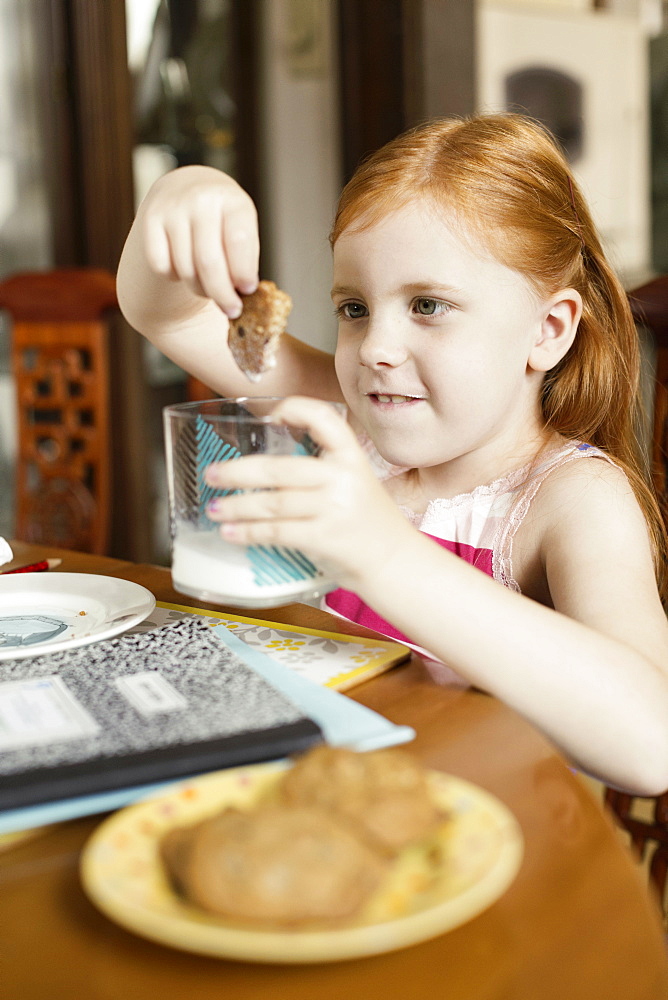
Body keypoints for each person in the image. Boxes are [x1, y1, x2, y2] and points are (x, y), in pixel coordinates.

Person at [117, 113, 668, 795]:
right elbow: (168, 314)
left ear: (548, 331)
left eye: (429, 305)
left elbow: (651, 744)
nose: (376, 347)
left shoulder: (572, 499)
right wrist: (180, 195)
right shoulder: (352, 419)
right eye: (354, 308)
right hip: (324, 802)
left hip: (481, 851)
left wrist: (383, 554)